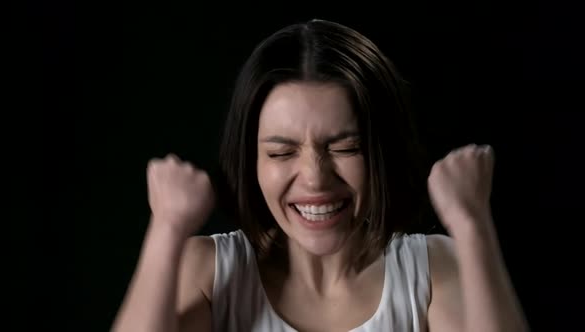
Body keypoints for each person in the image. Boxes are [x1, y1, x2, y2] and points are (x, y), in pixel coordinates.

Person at [111, 19, 529, 332]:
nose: (315, 179)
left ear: (381, 151)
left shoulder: (434, 270)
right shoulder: (209, 272)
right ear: (251, 159)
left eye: (345, 147)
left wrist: (473, 224)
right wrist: (166, 228)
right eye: (281, 151)